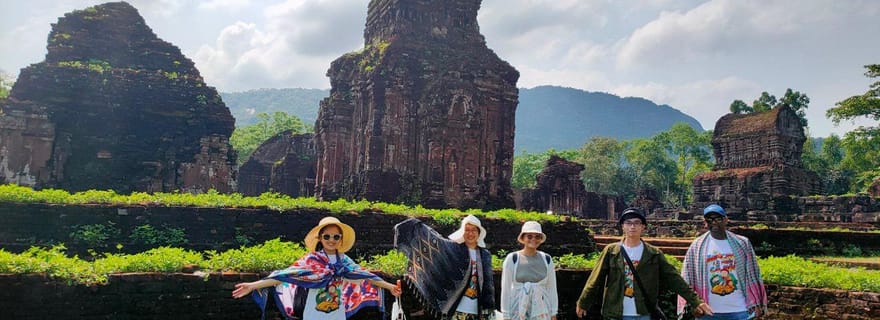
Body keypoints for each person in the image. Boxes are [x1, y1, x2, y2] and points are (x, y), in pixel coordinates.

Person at [232, 216, 402, 319]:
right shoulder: (312, 259)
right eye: (327, 236)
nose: (331, 239)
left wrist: (391, 287)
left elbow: (366, 276)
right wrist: (252, 285)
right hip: (313, 311)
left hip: (336, 311)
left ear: (341, 239)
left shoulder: (344, 261)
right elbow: (285, 275)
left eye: (336, 236)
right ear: (320, 238)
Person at [576, 208, 713, 320]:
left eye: (636, 223)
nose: (632, 226)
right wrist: (583, 302)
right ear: (622, 226)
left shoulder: (653, 254)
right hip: (616, 312)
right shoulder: (612, 251)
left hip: (644, 312)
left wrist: (696, 301)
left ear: (643, 227)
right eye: (628, 223)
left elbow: (674, 279)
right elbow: (595, 279)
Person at [394, 215, 495, 320]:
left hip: (478, 310)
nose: (470, 233)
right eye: (467, 230)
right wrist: (416, 226)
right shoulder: (455, 250)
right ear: (462, 232)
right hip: (456, 309)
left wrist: (489, 309)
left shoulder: (485, 254)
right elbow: (435, 242)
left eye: (474, 230)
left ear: (479, 233)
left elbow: (488, 284)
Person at [679, 204, 768, 320]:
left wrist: (756, 302)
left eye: (718, 219)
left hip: (739, 309)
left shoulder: (742, 243)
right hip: (708, 310)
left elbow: (752, 274)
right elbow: (687, 276)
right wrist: (693, 303)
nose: (714, 223)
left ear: (726, 220)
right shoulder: (697, 246)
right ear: (705, 223)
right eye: (709, 220)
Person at [499, 221, 558, 320]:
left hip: (542, 310)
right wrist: (506, 314)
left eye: (537, 236)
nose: (533, 239)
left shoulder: (547, 259)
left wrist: (553, 312)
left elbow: (551, 288)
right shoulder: (512, 259)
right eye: (529, 236)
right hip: (517, 310)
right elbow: (506, 289)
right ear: (523, 238)